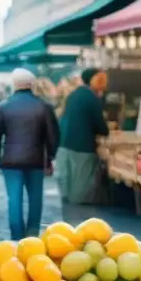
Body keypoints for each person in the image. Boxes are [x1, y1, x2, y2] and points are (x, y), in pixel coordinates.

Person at [0, 69, 58, 240]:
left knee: (14, 199)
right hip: (36, 160)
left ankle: (16, 236)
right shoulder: (44, 107)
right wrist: (50, 157)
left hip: (11, 161)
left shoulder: (4, 107)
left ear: (14, 84)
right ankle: (32, 235)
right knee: (35, 199)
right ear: (32, 84)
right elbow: (53, 136)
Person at [55, 68, 109, 205]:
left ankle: (70, 212)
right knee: (81, 189)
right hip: (82, 147)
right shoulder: (91, 98)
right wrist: (106, 129)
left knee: (68, 185)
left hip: (65, 144)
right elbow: (101, 127)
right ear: (92, 80)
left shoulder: (74, 94)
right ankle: (80, 218)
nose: (104, 83)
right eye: (100, 79)